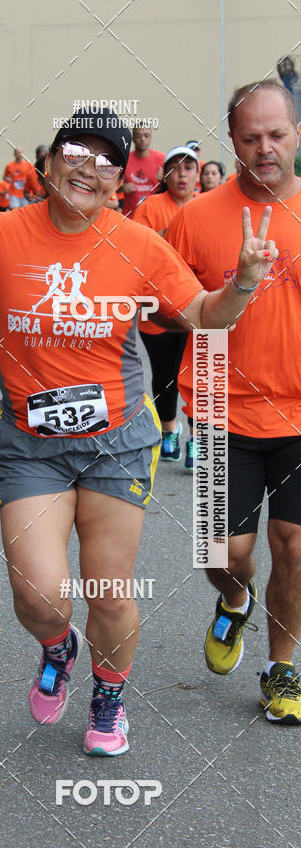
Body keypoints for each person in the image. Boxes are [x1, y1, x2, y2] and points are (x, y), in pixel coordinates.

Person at [0, 110, 276, 755]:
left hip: (116, 441)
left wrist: (241, 283)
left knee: (108, 589)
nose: (86, 168)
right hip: (30, 444)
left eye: (104, 162)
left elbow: (205, 315)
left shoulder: (141, 246)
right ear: (49, 163)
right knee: (38, 593)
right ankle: (56, 646)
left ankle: (109, 692)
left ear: (121, 182)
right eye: (75, 152)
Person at [166, 79, 301, 723]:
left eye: (277, 134)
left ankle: (282, 670)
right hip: (222, 409)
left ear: (297, 132)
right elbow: (170, 312)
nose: (265, 148)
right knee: (227, 556)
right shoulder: (194, 220)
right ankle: (234, 602)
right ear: (233, 142)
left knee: (295, 545)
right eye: (251, 138)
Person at [133, 145, 199, 468]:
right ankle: (170, 428)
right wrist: (171, 234)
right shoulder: (151, 206)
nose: (182, 174)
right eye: (175, 167)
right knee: (166, 372)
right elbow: (136, 251)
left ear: (197, 175)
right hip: (156, 307)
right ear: (165, 174)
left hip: (198, 306)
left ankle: (198, 436)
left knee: (202, 372)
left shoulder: (207, 207)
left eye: (189, 168)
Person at [120, 124, 165, 217]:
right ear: (133, 139)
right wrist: (123, 187)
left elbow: (171, 189)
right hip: (130, 216)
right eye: (139, 136)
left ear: (151, 138)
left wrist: (164, 181)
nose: (143, 139)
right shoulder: (125, 159)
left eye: (146, 135)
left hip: (155, 215)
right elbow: (113, 187)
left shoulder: (162, 159)